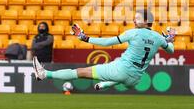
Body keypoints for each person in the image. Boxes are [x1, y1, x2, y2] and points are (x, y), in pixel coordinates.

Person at [33, 9, 175, 90]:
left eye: (137, 18)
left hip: (121, 71)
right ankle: (104, 84)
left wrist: (85, 38)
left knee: (80, 72)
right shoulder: (158, 38)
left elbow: (107, 42)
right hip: (135, 80)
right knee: (120, 73)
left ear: (146, 21)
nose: (134, 20)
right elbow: (171, 50)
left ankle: (45, 74)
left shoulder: (133, 32)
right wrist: (169, 39)